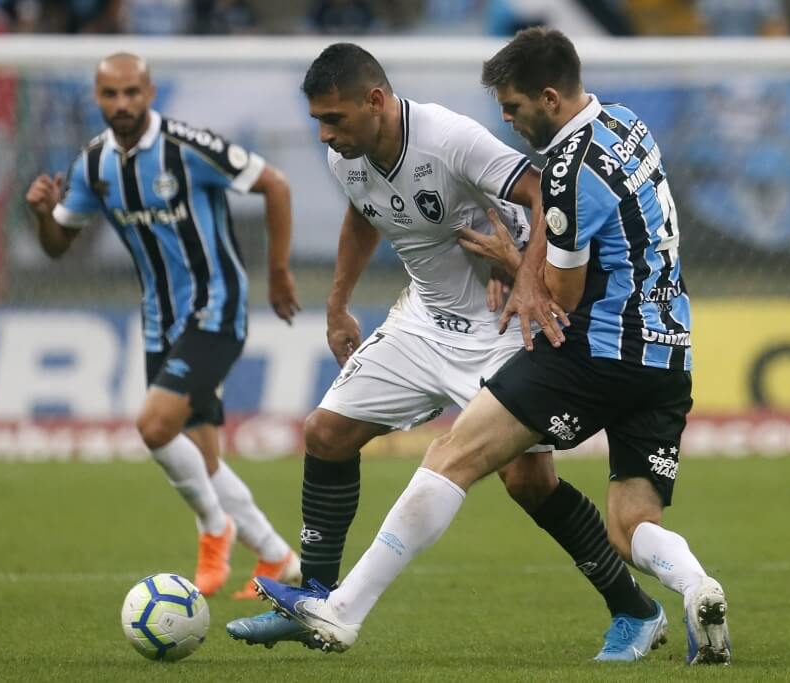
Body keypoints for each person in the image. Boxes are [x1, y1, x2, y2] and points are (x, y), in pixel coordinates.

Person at [254, 29, 732, 666]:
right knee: (630, 524)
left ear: (550, 97)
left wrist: (518, 263)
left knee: (498, 469)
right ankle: (695, 586)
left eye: (512, 107)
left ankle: (344, 613)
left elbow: (558, 279)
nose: (505, 120)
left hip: (558, 338)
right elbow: (366, 210)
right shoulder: (627, 123)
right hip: (659, 347)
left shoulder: (516, 157)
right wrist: (339, 302)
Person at [24, 53, 302, 598]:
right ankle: (276, 557)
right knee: (204, 457)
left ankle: (214, 527)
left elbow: (276, 184)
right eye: (111, 95)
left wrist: (278, 274)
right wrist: (42, 215)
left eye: (132, 92)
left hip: (216, 311)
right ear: (97, 98)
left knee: (155, 426)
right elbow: (60, 246)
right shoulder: (94, 166)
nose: (122, 104)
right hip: (159, 322)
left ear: (150, 92)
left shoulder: (187, 147)